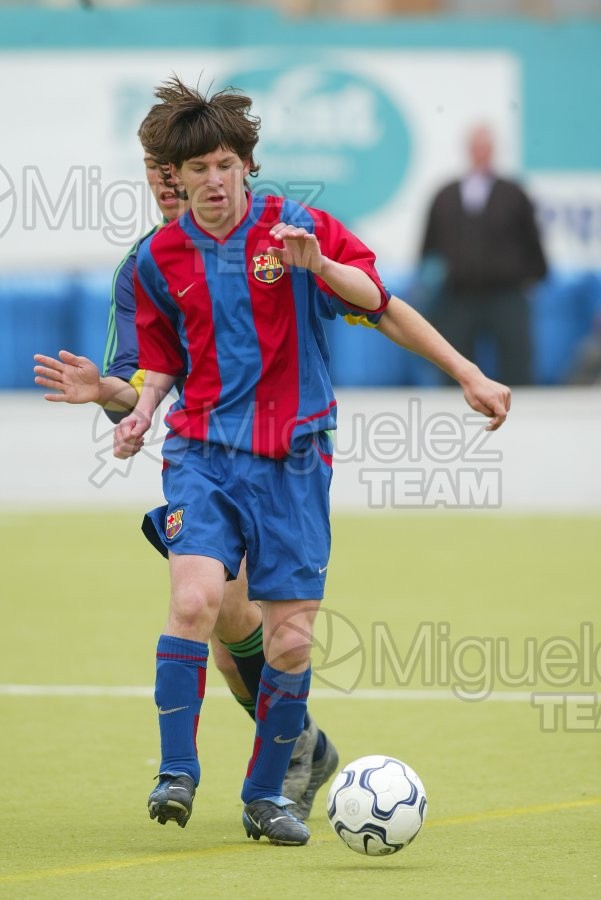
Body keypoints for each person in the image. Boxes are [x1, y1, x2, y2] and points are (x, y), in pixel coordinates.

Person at [112, 75, 511, 848]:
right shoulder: (159, 259)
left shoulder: (295, 226)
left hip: (294, 462)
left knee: (289, 640)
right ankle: (176, 772)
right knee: (195, 599)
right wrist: (140, 409)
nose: (213, 181)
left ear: (245, 165)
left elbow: (377, 299)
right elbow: (161, 359)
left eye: (225, 164)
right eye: (197, 170)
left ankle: (267, 796)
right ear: (178, 176)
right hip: (202, 455)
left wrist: (323, 270)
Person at [33, 121, 339, 825]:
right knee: (224, 624)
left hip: (277, 459)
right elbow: (130, 382)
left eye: (182, 165)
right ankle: (295, 749)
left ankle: (289, 753)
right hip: (201, 461)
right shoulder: (146, 264)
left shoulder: (269, 237)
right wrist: (114, 396)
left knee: (235, 628)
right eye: (156, 167)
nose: (171, 180)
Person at [418, 123, 548, 386]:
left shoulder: (514, 194)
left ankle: (522, 416)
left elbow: (533, 243)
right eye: (476, 147)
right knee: (453, 364)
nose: (480, 153)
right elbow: (427, 247)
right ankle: (453, 419)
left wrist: (533, 277)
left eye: (485, 147)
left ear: (493, 151)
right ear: (468, 150)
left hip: (506, 294)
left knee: (517, 363)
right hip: (458, 295)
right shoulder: (445, 195)